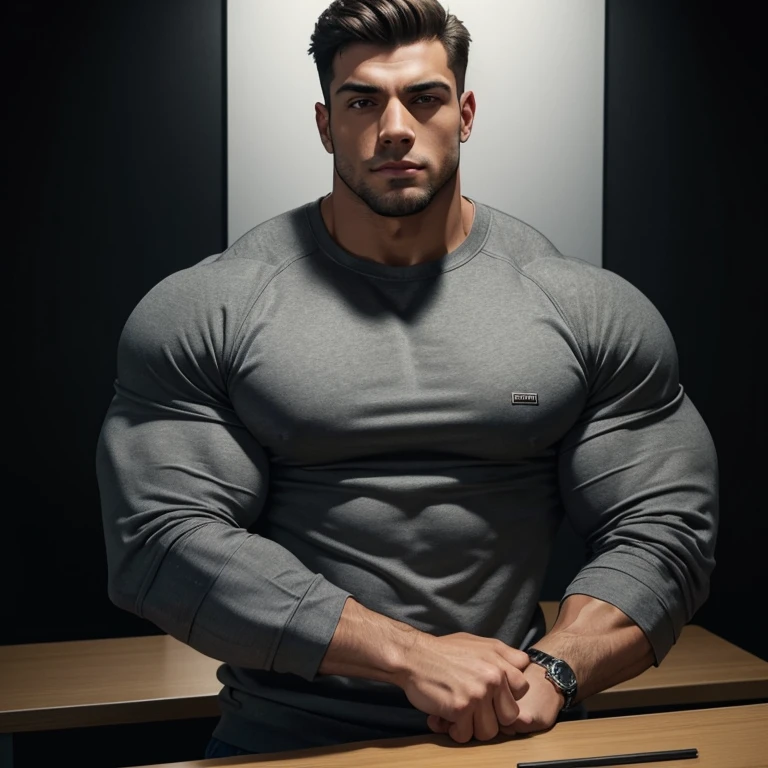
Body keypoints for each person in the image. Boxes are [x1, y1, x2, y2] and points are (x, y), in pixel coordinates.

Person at [95, 0, 718, 759]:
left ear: (466, 112)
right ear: (325, 125)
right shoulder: (212, 306)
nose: (395, 127)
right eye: (362, 101)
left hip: (516, 728)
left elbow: (665, 526)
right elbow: (162, 543)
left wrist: (558, 669)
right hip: (289, 739)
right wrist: (411, 655)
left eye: (425, 98)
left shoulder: (582, 305)